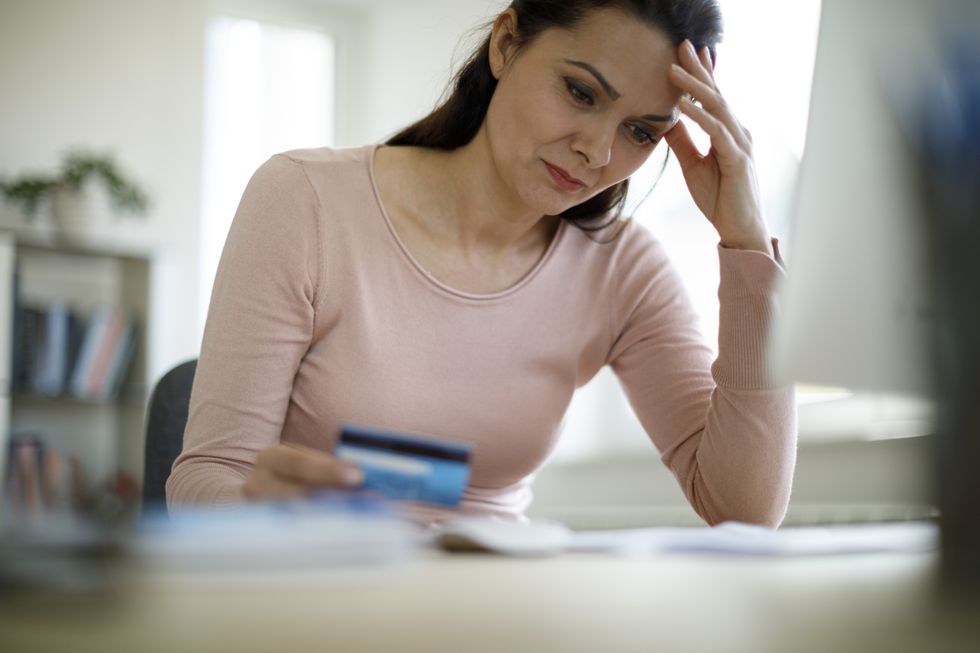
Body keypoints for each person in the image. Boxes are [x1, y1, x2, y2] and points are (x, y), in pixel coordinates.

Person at [167, 0, 796, 527]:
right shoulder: (304, 200)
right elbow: (206, 479)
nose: (596, 151)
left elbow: (745, 512)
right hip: (320, 600)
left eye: (640, 132)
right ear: (505, 42)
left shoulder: (622, 269)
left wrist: (745, 244)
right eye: (580, 92)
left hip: (495, 615)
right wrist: (274, 516)